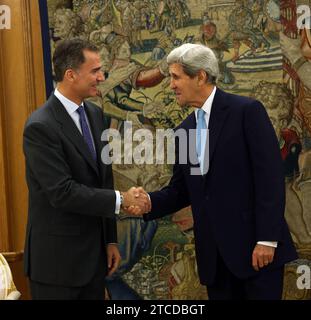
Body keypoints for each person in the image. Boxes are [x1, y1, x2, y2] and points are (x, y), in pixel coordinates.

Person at [130, 43, 297, 300]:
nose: (171, 85)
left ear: (200, 76)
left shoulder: (246, 112)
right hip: (215, 263)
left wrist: (267, 240)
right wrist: (148, 202)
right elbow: (181, 190)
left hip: (258, 254)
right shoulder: (184, 130)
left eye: (176, 77)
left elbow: (270, 179)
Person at [22, 39, 150, 300]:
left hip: (94, 262)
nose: (102, 77)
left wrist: (110, 240)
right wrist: (123, 199)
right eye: (95, 71)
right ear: (70, 75)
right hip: (57, 268)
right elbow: (62, 192)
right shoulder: (40, 126)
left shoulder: (93, 114)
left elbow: (103, 178)